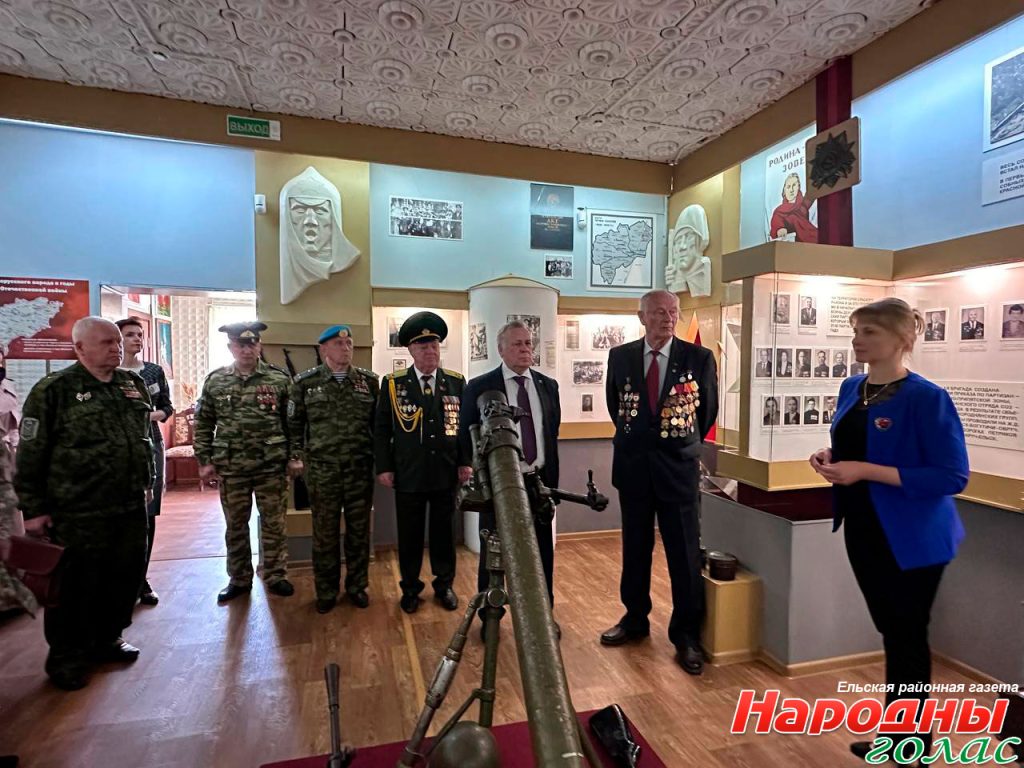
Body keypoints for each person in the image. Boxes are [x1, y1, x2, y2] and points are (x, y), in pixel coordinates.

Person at [809, 298, 968, 762]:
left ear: (902, 339)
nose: (857, 340)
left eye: (870, 332)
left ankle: (911, 747)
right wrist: (830, 458)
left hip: (913, 538)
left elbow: (952, 475)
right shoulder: (852, 387)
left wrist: (864, 470)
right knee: (892, 633)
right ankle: (898, 738)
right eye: (856, 330)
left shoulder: (926, 397)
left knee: (907, 637)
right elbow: (855, 446)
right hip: (863, 528)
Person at [16, 317, 154, 690]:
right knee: (76, 586)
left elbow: (143, 439)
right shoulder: (54, 390)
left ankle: (107, 638)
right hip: (78, 509)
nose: (116, 348)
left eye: (117, 341)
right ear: (79, 348)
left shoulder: (131, 384)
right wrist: (33, 510)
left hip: (128, 504)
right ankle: (66, 656)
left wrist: (147, 483)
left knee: (123, 577)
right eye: (107, 342)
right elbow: (31, 453)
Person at [600, 290, 718, 675]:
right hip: (633, 467)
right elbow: (617, 406)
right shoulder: (620, 356)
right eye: (658, 312)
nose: (667, 318)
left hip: (677, 469)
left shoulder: (698, 358)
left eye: (672, 312)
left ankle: (686, 634)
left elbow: (706, 411)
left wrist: (677, 445)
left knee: (684, 554)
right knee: (635, 549)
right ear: (642, 317)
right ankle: (635, 619)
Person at [459, 320, 561, 636]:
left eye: (528, 343)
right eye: (517, 344)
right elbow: (466, 436)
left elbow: (551, 433)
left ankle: (544, 618)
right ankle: (490, 618)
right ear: (501, 350)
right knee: (494, 553)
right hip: (499, 483)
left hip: (538, 482)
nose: (525, 349)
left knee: (542, 554)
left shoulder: (548, 386)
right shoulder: (479, 387)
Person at [375, 312, 470, 614]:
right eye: (423, 346)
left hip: (445, 471)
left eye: (434, 345)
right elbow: (382, 429)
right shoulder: (393, 384)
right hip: (409, 473)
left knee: (444, 534)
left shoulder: (455, 382)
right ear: (411, 351)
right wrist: (384, 467)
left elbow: (463, 427)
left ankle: (444, 585)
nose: (430, 351)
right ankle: (410, 588)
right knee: (410, 535)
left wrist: (465, 462)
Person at [194, 322, 295, 603]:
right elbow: (203, 423)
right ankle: (239, 579)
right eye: (241, 345)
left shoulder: (278, 379)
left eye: (252, 344)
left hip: (271, 466)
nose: (247, 350)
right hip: (232, 467)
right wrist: (204, 460)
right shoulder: (216, 380)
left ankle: (275, 575)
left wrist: (294, 456)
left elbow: (293, 423)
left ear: (259, 346)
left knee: (274, 524)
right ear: (231, 347)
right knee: (235, 526)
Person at [289, 325, 379, 614]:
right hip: (322, 471)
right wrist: (295, 457)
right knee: (325, 534)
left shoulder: (369, 382)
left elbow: (378, 427)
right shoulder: (305, 383)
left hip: (359, 469)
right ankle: (326, 591)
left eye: (349, 343)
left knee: (359, 533)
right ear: (323, 349)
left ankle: (357, 586)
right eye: (339, 344)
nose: (346, 348)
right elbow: (294, 425)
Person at [115, 318, 173, 607]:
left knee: (148, 515)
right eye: (130, 335)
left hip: (151, 444)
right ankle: (118, 580)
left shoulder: (153, 371)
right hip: (116, 449)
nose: (137, 339)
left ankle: (141, 579)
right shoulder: (108, 374)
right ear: (118, 339)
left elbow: (167, 407)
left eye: (140, 334)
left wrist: (146, 416)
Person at [0, 343, 36, 616]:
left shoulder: (7, 386)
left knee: (12, 526)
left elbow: (15, 426)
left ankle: (14, 592)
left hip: (6, 462)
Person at [770, 173, 818, 243]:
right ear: (784, 190)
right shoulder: (779, 211)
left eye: (794, 185)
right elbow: (777, 220)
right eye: (788, 187)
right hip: (796, 245)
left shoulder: (802, 205)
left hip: (813, 239)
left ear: (798, 187)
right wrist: (780, 229)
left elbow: (810, 196)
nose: (791, 190)